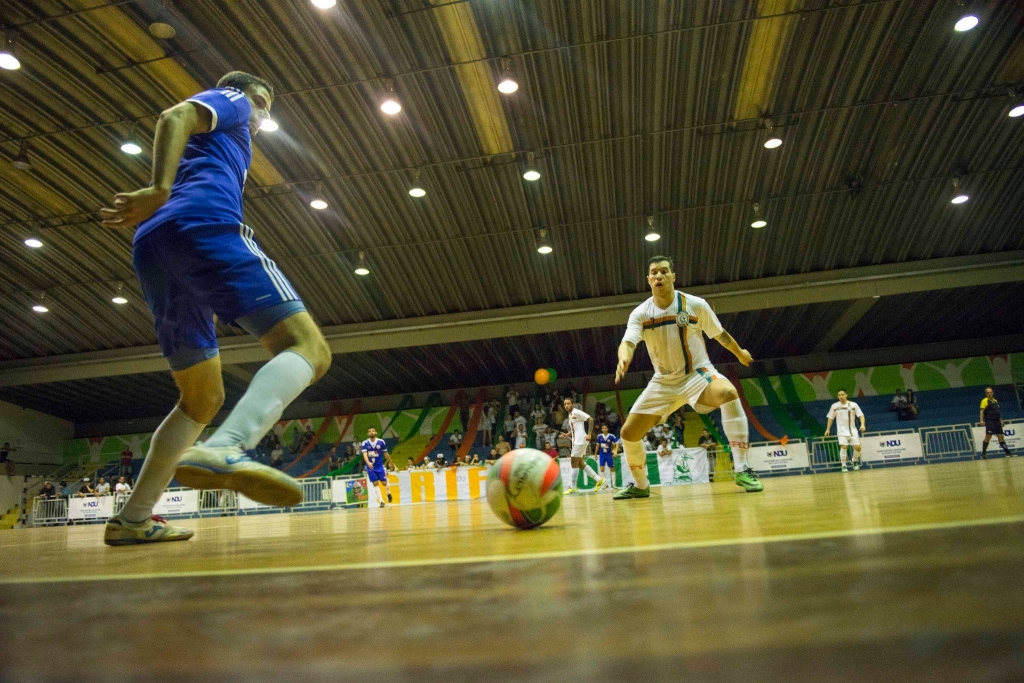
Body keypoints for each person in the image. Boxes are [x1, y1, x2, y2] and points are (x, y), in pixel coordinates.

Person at [98, 71, 331, 546]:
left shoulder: (221, 146)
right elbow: (176, 114)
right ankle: (228, 446)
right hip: (202, 224)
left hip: (155, 245)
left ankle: (133, 519)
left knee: (201, 399)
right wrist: (159, 187)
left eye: (266, 108)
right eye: (261, 101)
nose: (261, 114)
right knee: (310, 348)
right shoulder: (234, 103)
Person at [613, 255, 762, 500]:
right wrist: (624, 358)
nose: (659, 276)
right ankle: (640, 486)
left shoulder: (695, 305)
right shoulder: (640, 313)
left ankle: (742, 469)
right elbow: (628, 342)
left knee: (728, 392)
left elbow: (720, 334)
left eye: (664, 271)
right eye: (654, 272)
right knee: (628, 433)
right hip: (663, 382)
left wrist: (740, 353)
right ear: (648, 280)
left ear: (673, 276)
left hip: (697, 375)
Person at [560, 397, 604, 495]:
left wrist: (589, 434)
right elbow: (576, 429)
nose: (566, 406)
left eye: (568, 403)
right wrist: (567, 434)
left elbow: (590, 419)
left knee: (573, 462)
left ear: (572, 404)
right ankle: (599, 480)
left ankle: (573, 487)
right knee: (580, 463)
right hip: (579, 441)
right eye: (565, 404)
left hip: (579, 441)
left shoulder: (576, 412)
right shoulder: (570, 415)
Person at [825, 390, 866, 472]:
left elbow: (861, 415)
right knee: (844, 446)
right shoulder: (834, 406)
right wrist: (828, 429)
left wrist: (862, 425)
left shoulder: (853, 405)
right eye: (839, 395)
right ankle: (843, 465)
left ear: (846, 395)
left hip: (852, 430)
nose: (840, 396)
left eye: (842, 394)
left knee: (858, 447)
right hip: (841, 431)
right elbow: (830, 418)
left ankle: (854, 461)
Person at [361, 428, 396, 507]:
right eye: (369, 431)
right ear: (368, 434)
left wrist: (392, 463)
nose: (371, 432)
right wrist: (368, 462)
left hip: (379, 465)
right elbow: (364, 454)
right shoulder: (365, 443)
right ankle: (381, 501)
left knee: (384, 483)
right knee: (375, 483)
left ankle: (388, 493)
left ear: (376, 432)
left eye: (373, 431)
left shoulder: (381, 442)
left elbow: (386, 454)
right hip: (371, 467)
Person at [979, 387, 1013, 458]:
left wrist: (1000, 420)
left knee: (1001, 437)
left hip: (997, 421)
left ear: (993, 393)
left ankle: (1007, 453)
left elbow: (997, 412)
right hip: (990, 421)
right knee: (988, 437)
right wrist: (981, 420)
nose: (989, 394)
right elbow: (982, 410)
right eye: (988, 393)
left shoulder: (995, 401)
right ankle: (983, 453)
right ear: (986, 394)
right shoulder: (984, 401)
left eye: (990, 392)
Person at [594, 424, 619, 490]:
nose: (604, 429)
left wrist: (615, 451)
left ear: (607, 429)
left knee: (612, 468)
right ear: (601, 429)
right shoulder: (599, 436)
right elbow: (597, 445)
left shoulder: (611, 436)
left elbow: (617, 443)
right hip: (602, 455)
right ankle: (605, 484)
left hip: (609, 455)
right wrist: (595, 454)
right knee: (602, 469)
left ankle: (614, 485)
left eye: (605, 428)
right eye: (603, 428)